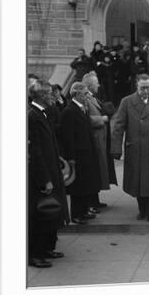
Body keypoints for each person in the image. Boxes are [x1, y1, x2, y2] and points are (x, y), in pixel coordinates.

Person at [111, 74, 149, 227]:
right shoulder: (127, 102)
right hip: (135, 149)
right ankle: (142, 209)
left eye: (148, 88)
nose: (145, 91)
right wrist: (116, 149)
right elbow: (118, 127)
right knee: (138, 183)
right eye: (142, 88)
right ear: (136, 86)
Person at [27, 80, 69, 268]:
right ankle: (35, 253)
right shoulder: (32, 117)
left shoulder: (43, 113)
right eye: (50, 94)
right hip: (43, 176)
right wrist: (44, 179)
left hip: (52, 170)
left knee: (52, 213)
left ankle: (47, 248)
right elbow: (35, 152)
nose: (53, 97)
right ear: (42, 96)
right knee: (41, 214)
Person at [58, 82, 101, 225]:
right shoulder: (69, 111)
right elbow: (67, 137)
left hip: (87, 154)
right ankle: (76, 214)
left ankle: (83, 211)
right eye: (84, 93)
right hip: (77, 155)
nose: (87, 96)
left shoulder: (83, 109)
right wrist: (71, 158)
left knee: (86, 184)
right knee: (77, 186)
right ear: (76, 94)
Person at [82, 72, 117, 213]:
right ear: (90, 85)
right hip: (95, 139)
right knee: (95, 170)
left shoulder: (93, 97)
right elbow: (84, 118)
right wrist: (100, 119)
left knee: (99, 170)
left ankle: (95, 200)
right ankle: (91, 202)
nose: (98, 85)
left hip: (101, 138)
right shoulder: (85, 98)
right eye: (96, 83)